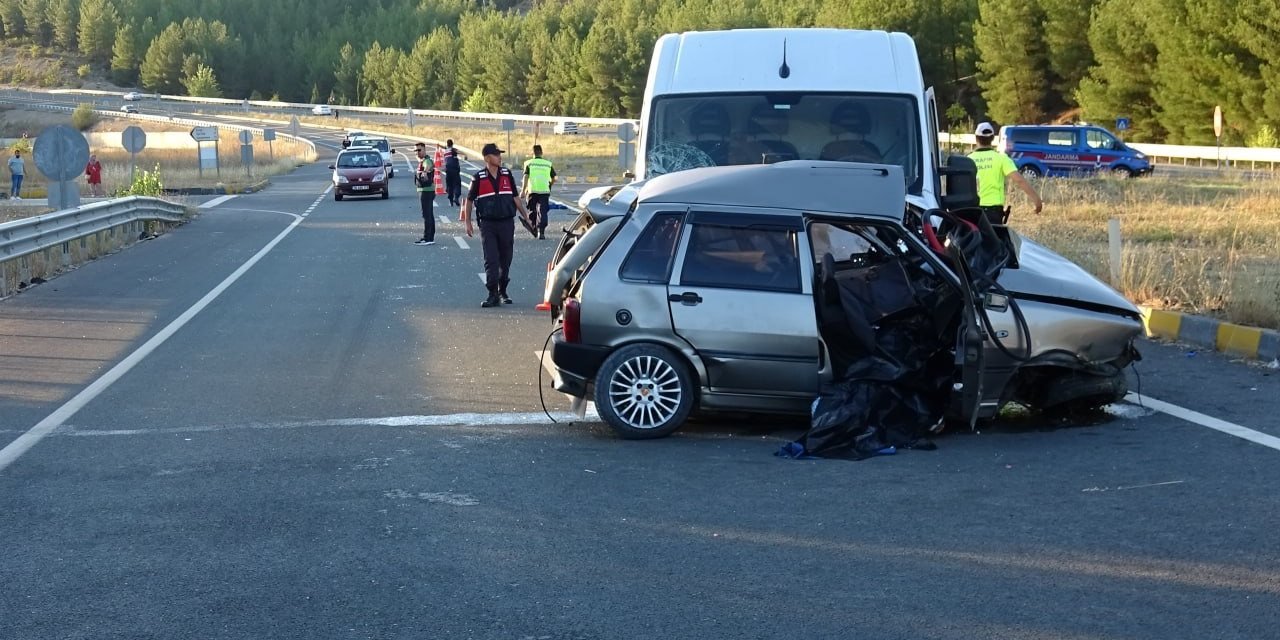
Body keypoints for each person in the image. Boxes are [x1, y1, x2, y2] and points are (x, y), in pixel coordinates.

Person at [461, 143, 534, 308]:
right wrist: (468, 222)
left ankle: (503, 290)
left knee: (506, 259)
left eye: (499, 154)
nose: (500, 157)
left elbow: (515, 198)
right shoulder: (478, 178)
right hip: (488, 224)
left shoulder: (507, 175)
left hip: (507, 223)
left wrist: (526, 216)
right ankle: (492, 293)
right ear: (487, 158)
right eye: (496, 155)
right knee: (491, 259)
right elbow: (469, 200)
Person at [969, 121, 1042, 224]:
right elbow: (1019, 180)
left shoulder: (968, 159)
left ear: (976, 138)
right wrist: (1036, 200)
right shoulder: (1001, 159)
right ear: (992, 139)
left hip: (971, 210)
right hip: (993, 212)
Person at [521, 144, 556, 240]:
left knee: (532, 210)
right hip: (544, 190)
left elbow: (525, 177)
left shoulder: (529, 163)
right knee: (542, 211)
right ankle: (541, 231)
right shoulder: (548, 164)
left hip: (532, 190)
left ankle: (533, 227)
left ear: (533, 153)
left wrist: (523, 191)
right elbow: (554, 178)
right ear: (541, 153)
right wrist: (549, 184)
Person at [413, 142, 436, 245]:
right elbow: (421, 160)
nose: (417, 152)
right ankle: (430, 237)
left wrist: (425, 172)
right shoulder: (423, 160)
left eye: (419, 150)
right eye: (415, 150)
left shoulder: (427, 161)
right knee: (429, 214)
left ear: (424, 149)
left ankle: (427, 238)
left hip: (426, 191)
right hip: (425, 190)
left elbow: (428, 166)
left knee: (426, 214)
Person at [443, 139, 462, 206]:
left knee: (449, 185)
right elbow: (459, 152)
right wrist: (465, 155)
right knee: (457, 184)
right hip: (455, 169)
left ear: (447, 144)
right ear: (452, 144)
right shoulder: (453, 150)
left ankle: (450, 200)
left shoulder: (445, 151)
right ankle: (456, 197)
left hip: (448, 170)